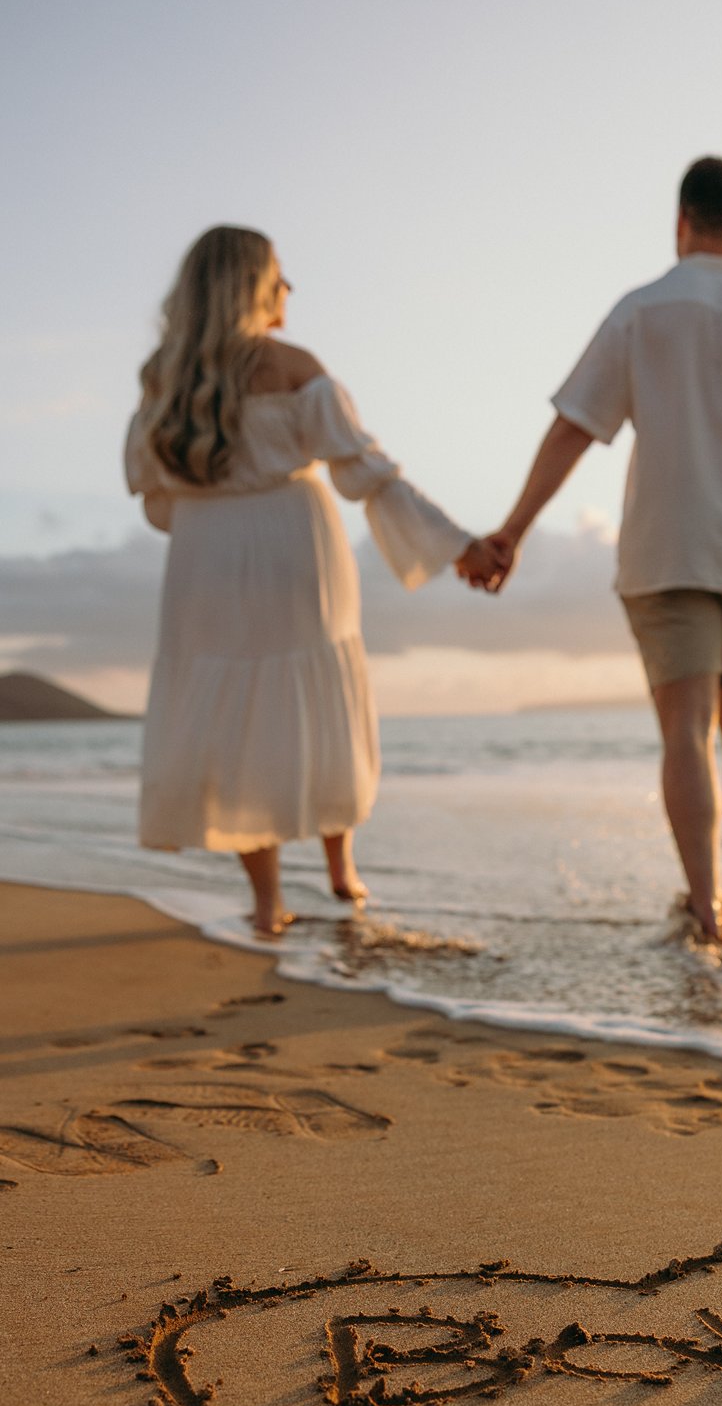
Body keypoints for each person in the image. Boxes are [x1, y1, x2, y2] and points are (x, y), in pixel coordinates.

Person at [475, 158, 722, 944]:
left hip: (667, 546)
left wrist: (512, 529)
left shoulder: (641, 312)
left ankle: (707, 910)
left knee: (685, 727)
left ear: (680, 221)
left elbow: (572, 426)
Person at [126, 225, 502, 937]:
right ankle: (342, 868)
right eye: (279, 275)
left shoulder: (160, 376)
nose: (289, 289)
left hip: (204, 555)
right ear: (252, 286)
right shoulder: (295, 366)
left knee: (230, 715)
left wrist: (216, 512)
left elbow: (154, 498)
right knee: (319, 697)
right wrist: (458, 546)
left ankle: (269, 901)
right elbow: (367, 473)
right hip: (297, 543)